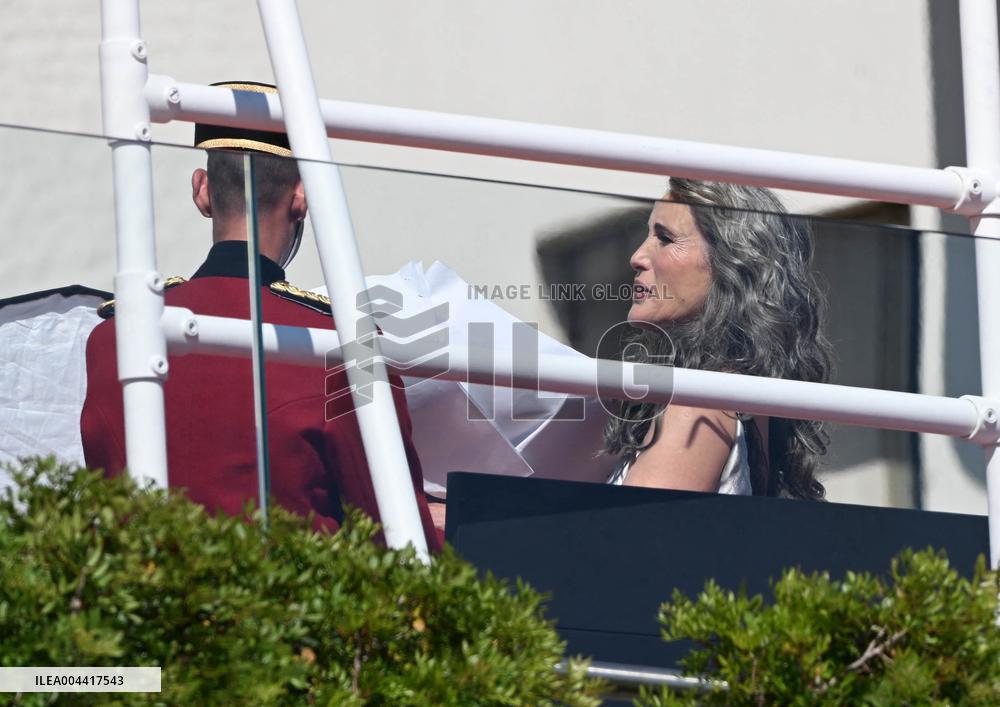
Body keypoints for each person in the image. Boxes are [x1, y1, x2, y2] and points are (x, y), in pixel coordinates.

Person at [81, 81, 442, 550]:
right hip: (290, 615)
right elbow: (394, 534)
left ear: (202, 190)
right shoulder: (336, 343)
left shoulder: (113, 335)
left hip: (142, 613)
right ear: (302, 196)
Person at [605, 177, 832, 499]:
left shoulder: (700, 405)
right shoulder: (746, 401)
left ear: (732, 264)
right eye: (648, 235)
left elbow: (624, 540)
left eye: (665, 238)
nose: (638, 256)